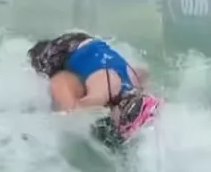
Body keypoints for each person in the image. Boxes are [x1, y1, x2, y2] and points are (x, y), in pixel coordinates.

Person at [27, 32, 159, 149]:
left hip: (90, 44)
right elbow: (72, 112)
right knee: (58, 86)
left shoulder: (133, 81)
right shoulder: (102, 93)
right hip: (62, 51)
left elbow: (144, 73)